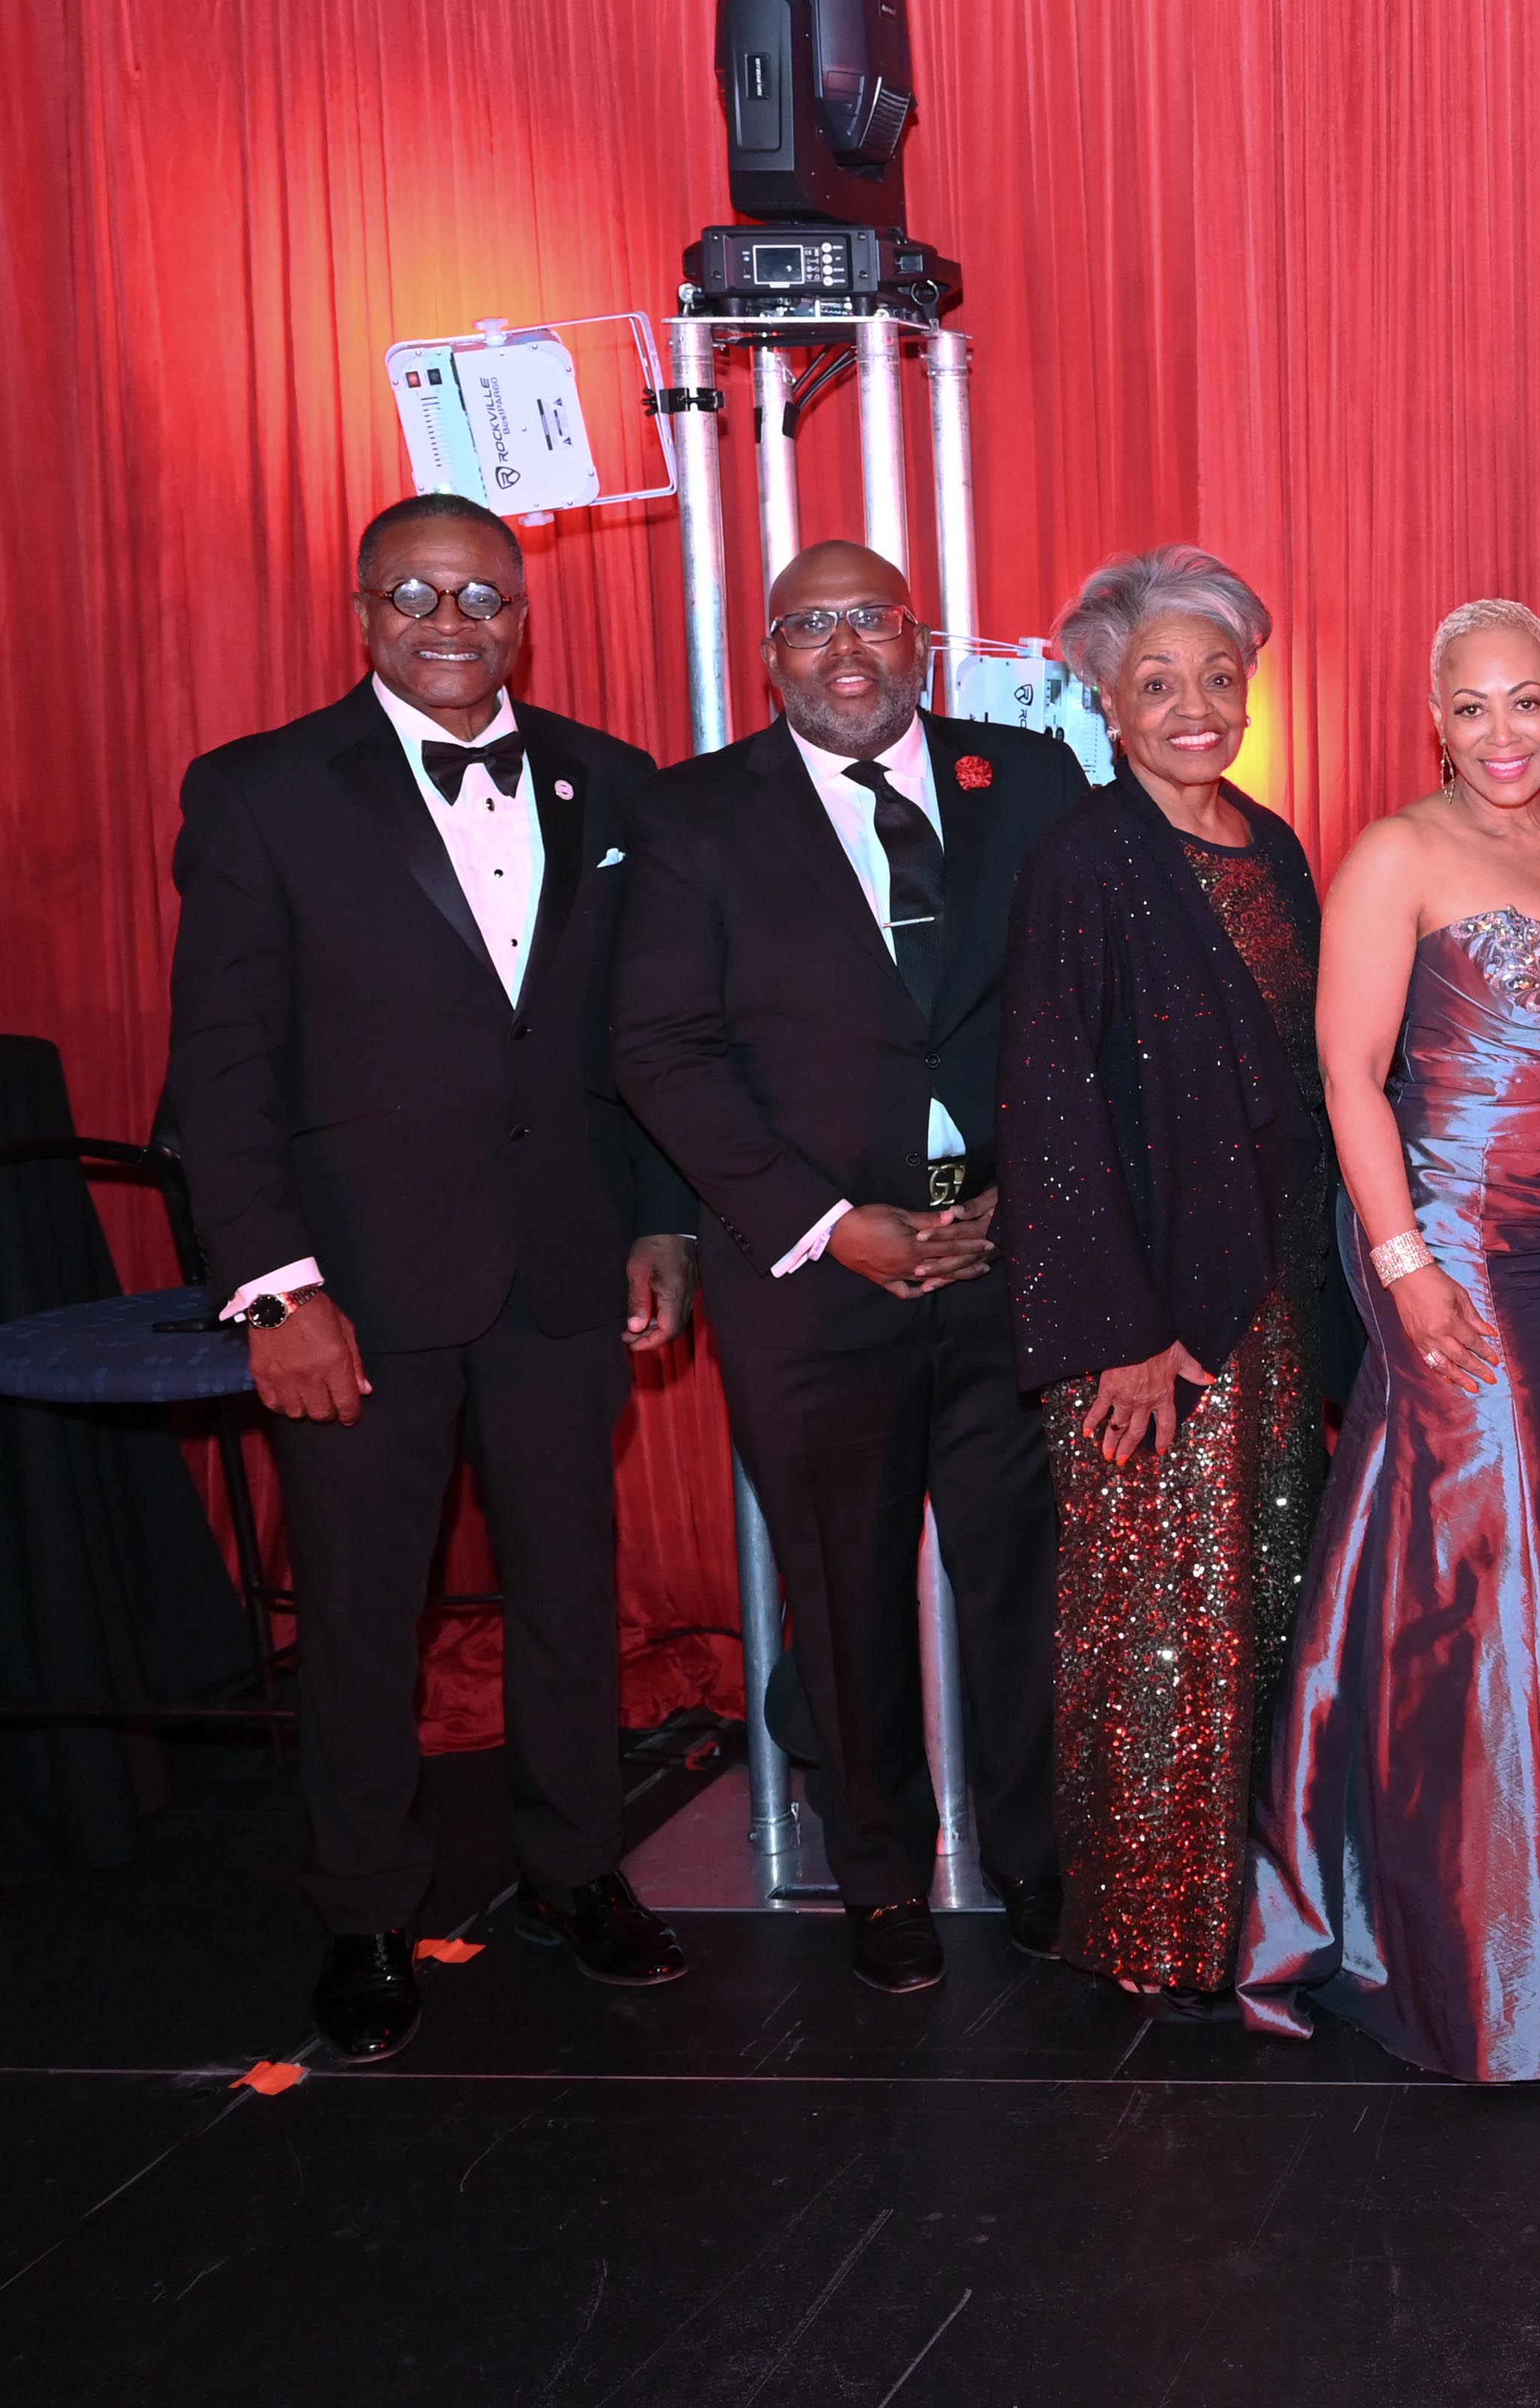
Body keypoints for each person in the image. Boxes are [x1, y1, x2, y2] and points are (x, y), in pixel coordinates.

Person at [164, 493, 698, 2060]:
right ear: (362, 612)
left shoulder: (613, 780)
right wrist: (278, 1288)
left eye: (482, 593)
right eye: (415, 593)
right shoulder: (260, 792)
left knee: (567, 1590)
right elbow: (223, 1068)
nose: (451, 619)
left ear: (524, 612)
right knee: (358, 1610)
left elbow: (644, 1040)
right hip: (358, 1285)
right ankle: (365, 1911)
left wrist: (660, 1220)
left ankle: (576, 1868)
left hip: (562, 1265)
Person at [1238, 597, 1540, 2078]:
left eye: (1527, 703)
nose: (1502, 732)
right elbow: (1349, 1075)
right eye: (1472, 706)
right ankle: (1493, 1957)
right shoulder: (1398, 853)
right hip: (1461, 1252)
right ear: (1433, 718)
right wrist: (1403, 1263)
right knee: (1495, 1582)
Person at [615, 539, 1084, 1996]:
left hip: (1007, 1252)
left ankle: (1040, 1853)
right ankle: (877, 1872)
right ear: (770, 656)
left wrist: (1042, 1199)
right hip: (813, 1270)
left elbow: (1081, 1004)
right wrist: (827, 1220)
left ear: (918, 636)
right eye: (809, 626)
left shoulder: (1034, 780)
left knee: (1028, 1575)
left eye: (869, 619)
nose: (845, 650)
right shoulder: (693, 814)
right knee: (843, 1580)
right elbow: (658, 1049)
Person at [994, 547, 1333, 2008]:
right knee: (1154, 1629)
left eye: (1219, 675)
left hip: (1272, 1302)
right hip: (1145, 1324)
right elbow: (1050, 1106)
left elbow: (1313, 1093)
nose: (1197, 704)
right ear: (1108, 704)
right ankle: (1154, 1928)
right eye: (1158, 683)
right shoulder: (1084, 854)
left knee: (1269, 1610)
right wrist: (1122, 1333)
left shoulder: (1278, 845)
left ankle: (1263, 1917)